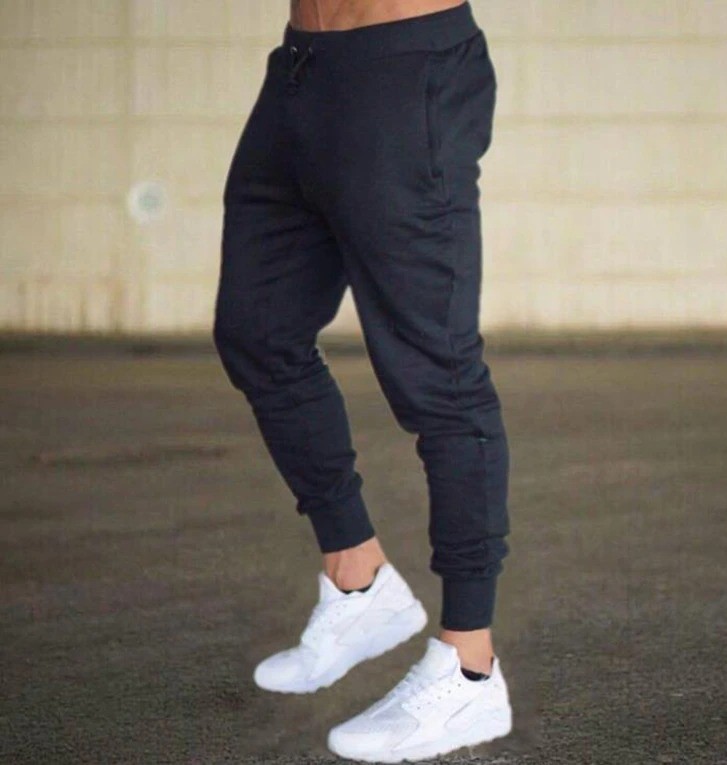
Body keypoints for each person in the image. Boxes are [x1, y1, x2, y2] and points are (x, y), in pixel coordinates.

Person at [212, 0, 513, 759]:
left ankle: (470, 667)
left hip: (404, 71)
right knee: (257, 330)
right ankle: (359, 579)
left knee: (438, 376)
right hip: (300, 74)